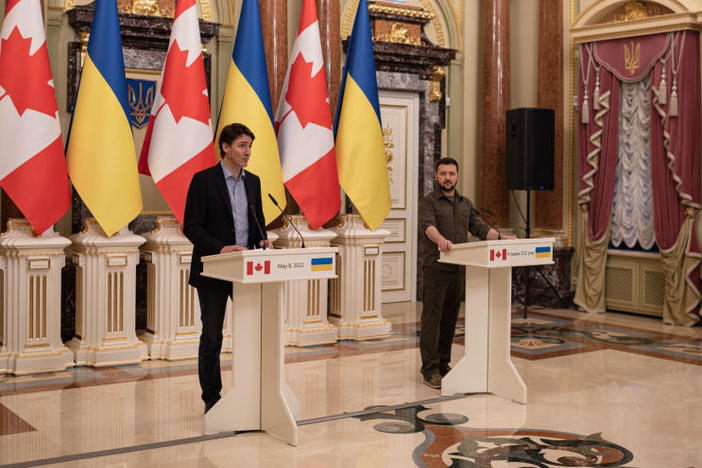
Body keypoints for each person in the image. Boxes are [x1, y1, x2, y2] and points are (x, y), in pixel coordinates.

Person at [183, 122, 273, 413]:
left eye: (250, 146)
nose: (248, 152)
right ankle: (212, 397)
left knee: (252, 332)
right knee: (212, 335)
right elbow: (192, 226)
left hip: (247, 270)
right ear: (225, 147)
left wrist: (263, 241)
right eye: (242, 146)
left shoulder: (254, 182)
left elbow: (257, 221)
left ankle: (251, 391)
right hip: (214, 268)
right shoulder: (203, 180)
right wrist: (221, 248)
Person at [418, 157, 515, 389]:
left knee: (450, 319)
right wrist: (441, 240)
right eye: (443, 174)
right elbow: (427, 226)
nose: (447, 178)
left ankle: (443, 364)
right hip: (435, 268)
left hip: (458, 270)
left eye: (451, 174)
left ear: (457, 176)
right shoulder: (428, 202)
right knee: (433, 319)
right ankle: (429, 369)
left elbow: (480, 228)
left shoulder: (464, 203)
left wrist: (501, 238)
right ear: (436, 176)